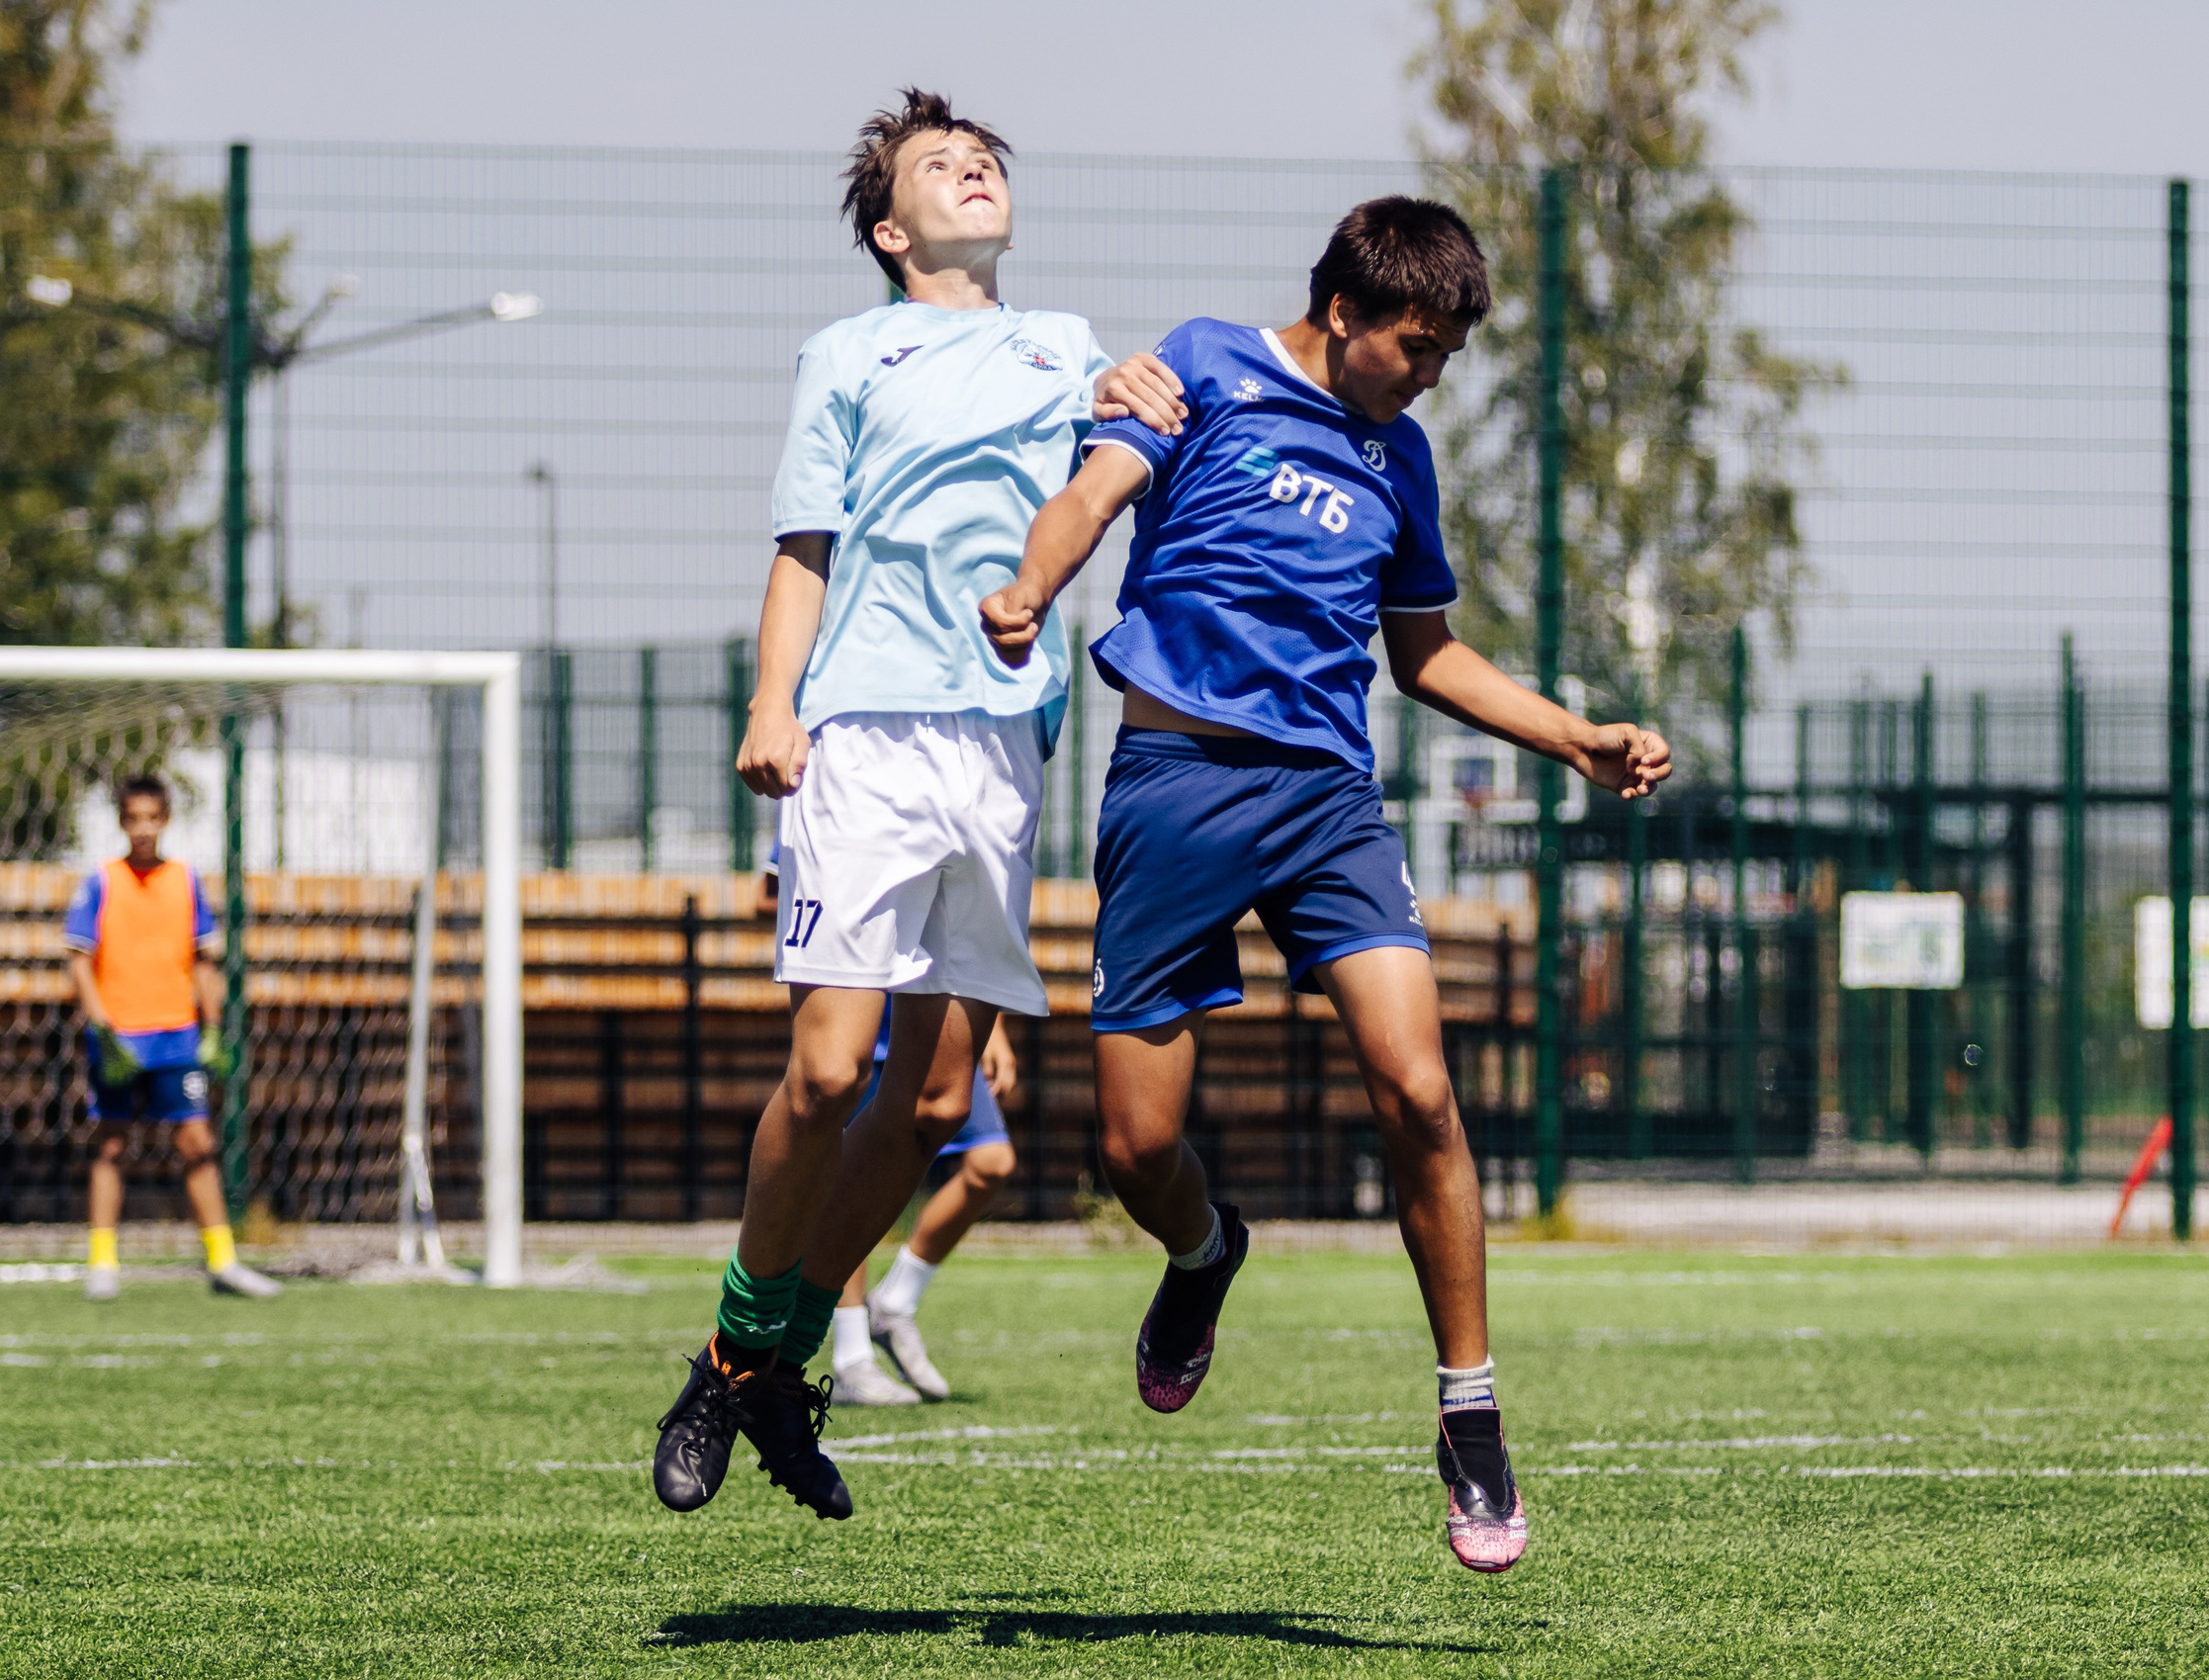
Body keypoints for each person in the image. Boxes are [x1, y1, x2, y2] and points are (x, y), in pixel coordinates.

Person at [981, 196, 1672, 1572]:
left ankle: (1469, 1409)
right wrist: (1028, 587)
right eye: (1412, 348)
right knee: (1131, 1148)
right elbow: (1094, 493)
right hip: (1176, 789)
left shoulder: (1400, 456)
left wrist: (1572, 733)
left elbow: (1425, 654)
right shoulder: (1206, 365)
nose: (1427, 377)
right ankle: (1203, 1252)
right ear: (1344, 311)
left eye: (1447, 358)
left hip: (1327, 803)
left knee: (1418, 1086)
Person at [652, 87, 1182, 1523]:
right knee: (830, 1071)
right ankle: (730, 1346)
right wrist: (775, 704)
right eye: (943, 163)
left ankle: (774, 1358)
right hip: (866, 734)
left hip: (1003, 750)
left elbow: (1123, 466)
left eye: (989, 156)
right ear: (892, 228)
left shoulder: (1069, 349)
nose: (976, 168)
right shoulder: (848, 350)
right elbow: (803, 548)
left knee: (940, 1093)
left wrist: (1147, 394)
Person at [64, 774, 281, 1301]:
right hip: (120, 1035)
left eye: (151, 818)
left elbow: (203, 960)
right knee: (110, 1144)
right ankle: (103, 1262)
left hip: (176, 1036)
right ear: (121, 822)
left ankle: (224, 1261)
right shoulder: (101, 881)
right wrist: (101, 1026)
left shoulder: (185, 880)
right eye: (133, 818)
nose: (142, 828)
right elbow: (78, 960)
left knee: (197, 1143)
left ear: (165, 821)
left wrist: (210, 1027)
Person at [826, 1004, 1021, 1407]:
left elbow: (979, 938)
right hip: (863, 1022)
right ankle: (852, 1357)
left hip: (943, 1022)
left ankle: (895, 1302)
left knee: (991, 1162)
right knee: (856, 1176)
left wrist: (995, 1026)